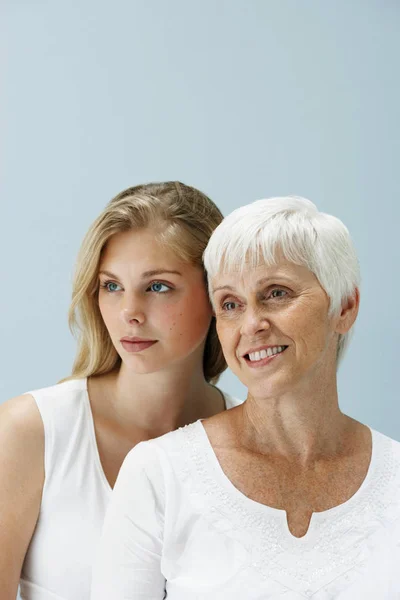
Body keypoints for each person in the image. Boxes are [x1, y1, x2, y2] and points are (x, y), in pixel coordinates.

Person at [91, 196, 400, 599]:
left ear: (345, 306)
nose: (252, 324)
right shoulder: (159, 475)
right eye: (230, 304)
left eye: (276, 293)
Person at [0, 181, 241, 600]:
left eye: (157, 286)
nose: (129, 312)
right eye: (112, 286)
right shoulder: (30, 433)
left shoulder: (257, 442)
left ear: (217, 293)